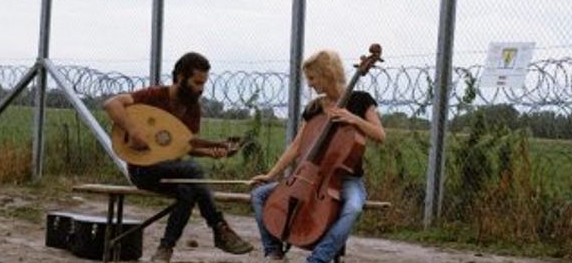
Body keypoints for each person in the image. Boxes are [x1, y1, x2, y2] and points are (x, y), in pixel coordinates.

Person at [103, 52, 254, 263]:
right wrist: (134, 131)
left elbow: (184, 147)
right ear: (180, 77)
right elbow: (111, 104)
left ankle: (165, 250)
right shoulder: (155, 95)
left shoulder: (193, 108)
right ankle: (219, 227)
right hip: (141, 168)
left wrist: (211, 152)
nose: (201, 89)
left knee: (188, 191)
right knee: (192, 171)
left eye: (204, 83)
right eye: (196, 82)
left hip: (172, 170)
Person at [249, 50, 386, 263]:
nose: (310, 84)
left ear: (327, 73)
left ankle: (318, 259)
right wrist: (270, 175)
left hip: (347, 179)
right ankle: (274, 253)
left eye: (312, 78)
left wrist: (352, 118)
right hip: (308, 177)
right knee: (259, 195)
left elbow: (380, 135)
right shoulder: (314, 108)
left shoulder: (361, 101)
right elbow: (296, 147)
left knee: (353, 207)